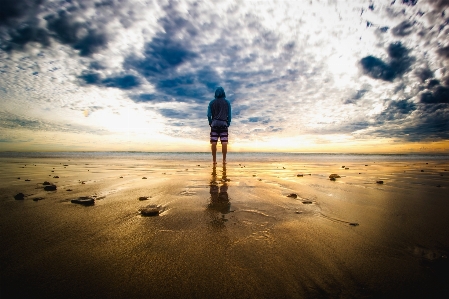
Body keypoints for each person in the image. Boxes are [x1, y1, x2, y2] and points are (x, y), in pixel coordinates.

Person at [207, 86, 231, 164]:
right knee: (224, 143)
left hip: (214, 124)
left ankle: (214, 160)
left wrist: (210, 122)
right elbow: (229, 115)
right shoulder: (227, 103)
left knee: (214, 143)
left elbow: (208, 114)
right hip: (224, 123)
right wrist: (228, 123)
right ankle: (224, 160)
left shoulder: (212, 102)